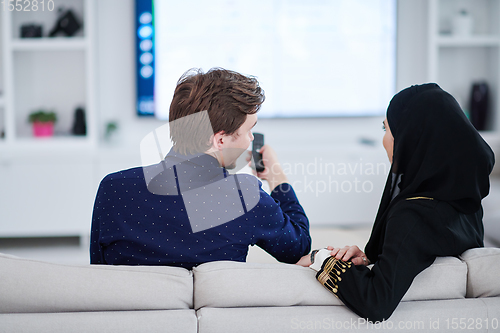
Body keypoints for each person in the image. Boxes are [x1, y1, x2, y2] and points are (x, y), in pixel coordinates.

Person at [297, 83, 495, 322]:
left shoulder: (413, 215)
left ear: (411, 137)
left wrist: (321, 259)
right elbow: (411, 254)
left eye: (387, 129)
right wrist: (372, 259)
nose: (384, 140)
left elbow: (376, 302)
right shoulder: (466, 207)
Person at [90, 68, 311, 269]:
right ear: (220, 140)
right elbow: (297, 247)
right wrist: (277, 177)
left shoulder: (113, 188)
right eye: (248, 131)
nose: (251, 139)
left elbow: (100, 272)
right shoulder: (246, 196)